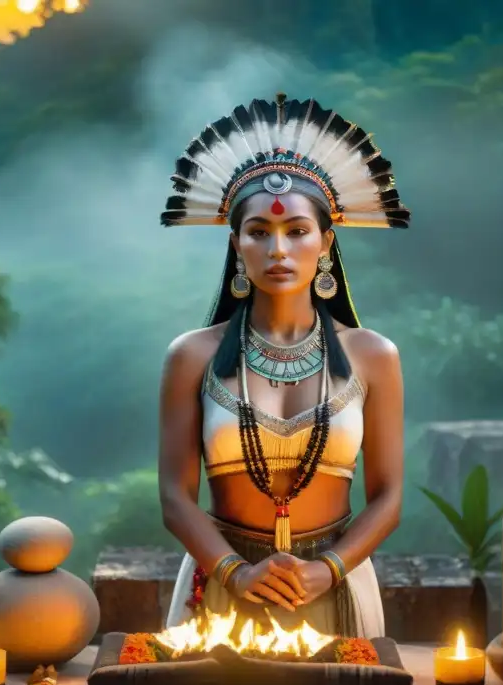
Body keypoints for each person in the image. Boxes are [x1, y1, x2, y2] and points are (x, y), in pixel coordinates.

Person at [158, 93, 409, 639]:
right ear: (236, 243)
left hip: (337, 585)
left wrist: (328, 569)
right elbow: (175, 498)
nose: (278, 250)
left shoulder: (373, 357)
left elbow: (388, 498)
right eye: (259, 233)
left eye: (297, 231)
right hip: (220, 589)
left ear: (326, 243)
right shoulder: (192, 356)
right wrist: (237, 572)